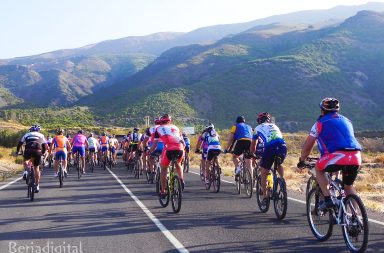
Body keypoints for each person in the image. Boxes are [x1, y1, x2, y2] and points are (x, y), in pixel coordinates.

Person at [297, 98, 362, 210]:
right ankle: (355, 218)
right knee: (348, 187)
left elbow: (307, 147)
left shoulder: (319, 123)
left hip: (336, 156)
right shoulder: (347, 121)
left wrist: (302, 160)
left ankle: (328, 200)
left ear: (322, 110)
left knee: (318, 169)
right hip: (356, 156)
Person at [251, 112, 287, 204]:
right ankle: (282, 182)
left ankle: (265, 196)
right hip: (282, 146)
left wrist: (252, 153)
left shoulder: (257, 128)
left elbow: (253, 144)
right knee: (278, 164)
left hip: (270, 147)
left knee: (264, 172)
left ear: (259, 121)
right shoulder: (275, 126)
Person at [149, 114, 185, 197]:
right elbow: (182, 140)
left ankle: (163, 190)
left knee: (164, 168)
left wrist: (149, 151)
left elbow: (154, 145)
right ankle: (181, 179)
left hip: (169, 148)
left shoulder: (158, 129)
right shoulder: (176, 127)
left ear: (161, 121)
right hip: (180, 148)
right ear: (170, 121)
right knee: (178, 164)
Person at [17, 125, 47, 193]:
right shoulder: (41, 135)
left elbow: (20, 144)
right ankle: (37, 185)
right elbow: (44, 146)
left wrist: (17, 151)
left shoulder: (26, 134)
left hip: (28, 150)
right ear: (38, 130)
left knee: (26, 160)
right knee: (36, 168)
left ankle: (25, 171)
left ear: (31, 130)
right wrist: (43, 153)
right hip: (37, 151)